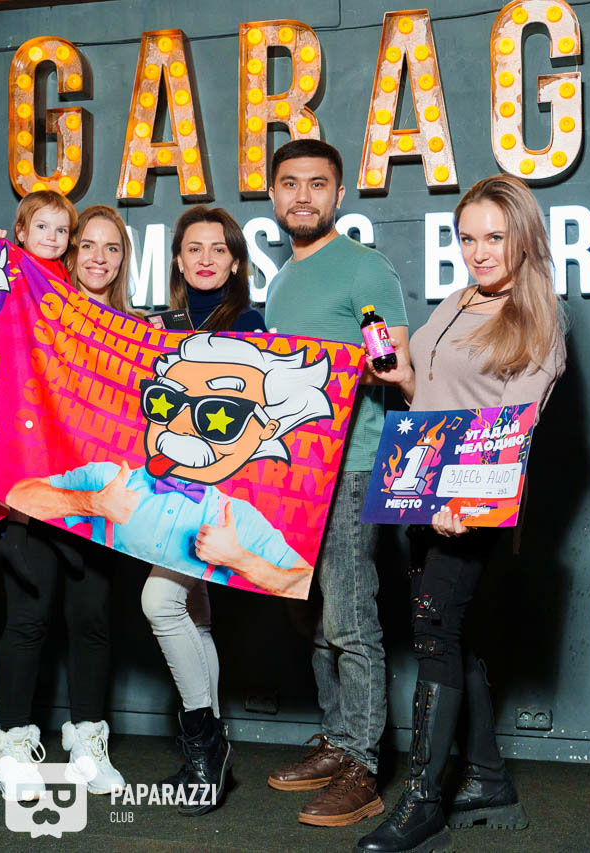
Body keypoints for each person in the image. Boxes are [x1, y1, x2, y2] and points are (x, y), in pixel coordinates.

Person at [356, 174, 566, 852]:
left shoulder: (538, 322)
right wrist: (403, 377)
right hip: (423, 493)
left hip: (473, 502)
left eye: (494, 237)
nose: (479, 252)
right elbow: (435, 395)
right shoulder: (459, 299)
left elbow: (514, 429)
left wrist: (466, 503)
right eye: (468, 238)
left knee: (433, 634)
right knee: (453, 634)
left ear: (523, 237)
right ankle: (487, 777)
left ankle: (422, 803)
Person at [263, 138, 409, 827]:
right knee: (312, 617)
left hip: (351, 467)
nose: (303, 196)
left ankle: (363, 766)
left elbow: (394, 365)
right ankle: (336, 739)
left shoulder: (365, 268)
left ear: (338, 194)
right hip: (292, 474)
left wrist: (361, 367)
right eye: (290, 183)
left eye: (317, 184)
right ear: (273, 195)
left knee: (350, 618)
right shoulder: (281, 281)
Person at [0, 200, 131, 801]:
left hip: (99, 502)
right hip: (37, 497)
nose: (97, 257)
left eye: (111, 247)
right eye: (86, 244)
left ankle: (88, 746)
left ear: (122, 260)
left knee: (92, 621)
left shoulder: (137, 333)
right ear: (69, 252)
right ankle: (14, 748)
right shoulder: (32, 307)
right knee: (28, 618)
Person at [140, 206, 264, 816]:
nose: (206, 258)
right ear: (179, 259)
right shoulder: (158, 323)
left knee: (159, 601)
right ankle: (212, 754)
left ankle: (205, 745)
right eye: (195, 248)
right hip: (165, 488)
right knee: (193, 610)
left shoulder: (250, 321)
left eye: (219, 249)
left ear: (236, 262)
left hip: (218, 489)